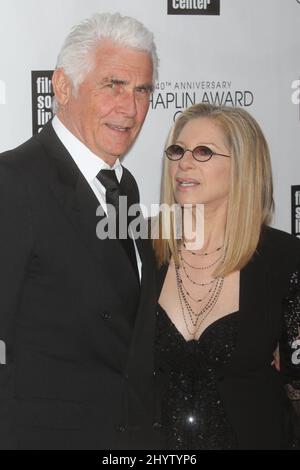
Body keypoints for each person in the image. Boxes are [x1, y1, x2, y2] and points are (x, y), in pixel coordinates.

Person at [0, 12, 161, 450]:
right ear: (63, 86)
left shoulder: (124, 185)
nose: (129, 108)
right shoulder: (13, 181)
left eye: (142, 90)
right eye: (113, 85)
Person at [153, 103, 300, 449]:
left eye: (203, 152)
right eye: (177, 151)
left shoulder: (283, 259)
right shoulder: (144, 251)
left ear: (244, 168)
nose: (183, 163)